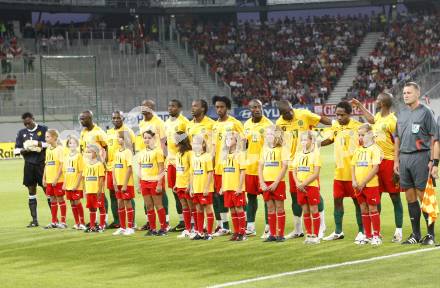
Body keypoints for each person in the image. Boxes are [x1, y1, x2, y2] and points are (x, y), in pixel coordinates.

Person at [351, 94, 404, 242]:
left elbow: (397, 142)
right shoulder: (379, 117)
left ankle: (398, 231)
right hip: (375, 162)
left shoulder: (392, 121)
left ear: (384, 103)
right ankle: (375, 233)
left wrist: (396, 163)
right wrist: (360, 106)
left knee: (395, 197)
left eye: (378, 99)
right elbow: (371, 120)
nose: (376, 100)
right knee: (375, 199)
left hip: (388, 162)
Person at [276, 100, 330, 239]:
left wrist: (335, 125)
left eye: (290, 110)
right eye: (286, 113)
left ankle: (322, 225)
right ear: (281, 114)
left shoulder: (304, 114)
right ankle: (298, 229)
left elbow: (321, 119)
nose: (289, 113)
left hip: (309, 161)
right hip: (292, 164)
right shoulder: (279, 123)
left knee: (314, 193)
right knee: (296, 196)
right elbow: (279, 140)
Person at [394, 82, 439, 245]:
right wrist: (396, 160)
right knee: (410, 197)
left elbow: (434, 137)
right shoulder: (401, 112)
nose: (405, 95)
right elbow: (397, 138)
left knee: (424, 197)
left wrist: (433, 161)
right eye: (404, 93)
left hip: (421, 157)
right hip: (404, 159)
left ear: (417, 94)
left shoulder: (426, 112)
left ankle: (430, 235)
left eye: (409, 92)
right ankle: (415, 234)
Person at [321, 101, 364, 242]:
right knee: (337, 202)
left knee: (358, 203)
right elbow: (330, 139)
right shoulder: (335, 126)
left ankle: (362, 232)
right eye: (337, 115)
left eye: (342, 115)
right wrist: (317, 144)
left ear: (349, 114)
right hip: (338, 172)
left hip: (354, 173)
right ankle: (338, 231)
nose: (339, 117)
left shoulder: (358, 127)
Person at [212, 96, 244, 237]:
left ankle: (244, 228)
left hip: (234, 167)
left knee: (238, 199)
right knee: (222, 198)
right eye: (217, 107)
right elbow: (213, 148)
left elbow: (243, 143)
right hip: (220, 167)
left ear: (227, 108)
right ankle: (225, 227)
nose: (219, 109)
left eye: (222, 107)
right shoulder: (214, 125)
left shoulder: (235, 123)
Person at [136, 100, 169, 232]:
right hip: (145, 161)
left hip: (157, 160)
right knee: (148, 203)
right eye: (143, 106)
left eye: (148, 107)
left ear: (153, 109)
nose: (145, 109)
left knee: (159, 199)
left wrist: (161, 155)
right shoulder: (142, 123)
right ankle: (152, 226)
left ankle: (165, 223)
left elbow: (163, 140)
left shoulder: (159, 122)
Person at [243, 99, 273, 237]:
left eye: (259, 107)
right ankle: (250, 226)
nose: (256, 109)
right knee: (251, 197)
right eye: (253, 107)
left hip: (264, 168)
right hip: (250, 168)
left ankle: (268, 226)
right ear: (249, 109)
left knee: (267, 198)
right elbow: (245, 144)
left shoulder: (268, 124)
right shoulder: (247, 124)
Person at [14, 112, 48, 227]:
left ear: (33, 119)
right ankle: (34, 220)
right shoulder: (21, 133)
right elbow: (16, 150)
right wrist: (26, 150)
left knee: (48, 191)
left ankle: (55, 220)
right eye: (25, 124)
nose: (27, 126)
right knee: (31, 192)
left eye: (28, 123)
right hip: (29, 165)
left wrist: (37, 144)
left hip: (42, 165)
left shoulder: (43, 129)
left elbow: (49, 143)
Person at [351, 124, 382, 246]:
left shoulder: (375, 149)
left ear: (369, 134)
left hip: (370, 185)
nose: (360, 137)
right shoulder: (358, 149)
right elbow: (353, 165)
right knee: (363, 209)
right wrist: (354, 181)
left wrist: (363, 182)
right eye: (359, 135)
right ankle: (367, 235)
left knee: (373, 208)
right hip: (358, 185)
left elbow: (375, 168)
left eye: (362, 135)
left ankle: (376, 235)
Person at [106, 111, 136, 229]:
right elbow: (107, 149)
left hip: (124, 168)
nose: (116, 120)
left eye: (118, 118)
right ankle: (118, 221)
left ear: (123, 118)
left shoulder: (128, 131)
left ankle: (131, 222)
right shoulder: (109, 133)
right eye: (114, 118)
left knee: (127, 196)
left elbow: (132, 150)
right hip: (111, 168)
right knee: (114, 195)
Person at [258, 125, 288, 242]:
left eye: (271, 134)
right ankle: (272, 234)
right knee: (270, 208)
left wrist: (276, 182)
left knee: (279, 208)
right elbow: (260, 166)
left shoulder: (283, 148)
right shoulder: (264, 148)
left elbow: (284, 166)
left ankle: (280, 234)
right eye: (267, 134)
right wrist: (262, 182)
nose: (269, 136)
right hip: (266, 182)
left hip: (278, 183)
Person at [164, 100, 190, 233]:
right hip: (171, 162)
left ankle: (190, 222)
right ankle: (182, 221)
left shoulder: (183, 122)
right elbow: (166, 142)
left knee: (185, 193)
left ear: (179, 108)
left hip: (182, 162)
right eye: (169, 106)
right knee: (176, 192)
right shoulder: (167, 123)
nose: (170, 108)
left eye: (173, 106)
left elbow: (187, 142)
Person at [292, 131, 322, 244]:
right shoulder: (298, 154)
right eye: (302, 140)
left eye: (306, 140)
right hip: (299, 187)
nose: (303, 142)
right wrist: (297, 183)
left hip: (311, 186)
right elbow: (294, 171)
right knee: (305, 210)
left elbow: (315, 173)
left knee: (314, 209)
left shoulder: (315, 154)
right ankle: (309, 234)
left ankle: (316, 235)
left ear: (311, 140)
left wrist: (303, 184)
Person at [138, 130, 167, 236]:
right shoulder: (141, 152)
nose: (146, 140)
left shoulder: (158, 151)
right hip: (144, 182)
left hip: (154, 182)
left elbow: (161, 168)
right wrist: (139, 183)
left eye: (149, 138)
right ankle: (152, 229)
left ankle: (164, 228)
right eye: (145, 137)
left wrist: (159, 183)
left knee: (158, 205)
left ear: (154, 139)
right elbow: (140, 168)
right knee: (149, 206)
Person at [220, 131, 247, 241]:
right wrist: (222, 186)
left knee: (239, 208)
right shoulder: (224, 155)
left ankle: (242, 233)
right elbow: (223, 172)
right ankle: (236, 232)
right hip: (227, 187)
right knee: (232, 209)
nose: (228, 141)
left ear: (236, 141)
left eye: (231, 139)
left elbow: (242, 172)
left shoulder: (240, 154)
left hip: (236, 187)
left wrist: (240, 187)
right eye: (226, 139)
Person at [190, 135, 215, 241]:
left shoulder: (207, 156)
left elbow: (210, 173)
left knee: (208, 209)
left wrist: (206, 187)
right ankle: (200, 232)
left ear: (203, 144)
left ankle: (209, 233)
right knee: (199, 209)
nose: (195, 145)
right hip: (196, 188)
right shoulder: (193, 157)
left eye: (198, 143)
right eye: (194, 143)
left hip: (205, 189)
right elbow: (192, 173)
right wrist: (191, 188)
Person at [112, 131, 136, 236]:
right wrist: (114, 181)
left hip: (127, 183)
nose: (118, 139)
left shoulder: (128, 152)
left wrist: (125, 184)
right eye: (117, 137)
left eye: (120, 137)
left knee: (127, 203)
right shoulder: (116, 152)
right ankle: (122, 227)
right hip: (118, 183)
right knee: (120, 204)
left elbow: (130, 168)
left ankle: (130, 227)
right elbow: (113, 168)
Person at [43, 129, 66, 229]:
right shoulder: (48, 149)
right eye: (46, 137)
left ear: (54, 137)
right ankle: (54, 222)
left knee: (60, 199)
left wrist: (56, 178)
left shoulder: (60, 149)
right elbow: (46, 164)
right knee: (52, 199)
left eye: (48, 137)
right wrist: (44, 177)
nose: (46, 138)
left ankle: (63, 221)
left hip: (58, 180)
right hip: (49, 179)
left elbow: (62, 164)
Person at [62, 135, 86, 230]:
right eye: (70, 143)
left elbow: (81, 171)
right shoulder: (66, 156)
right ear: (68, 144)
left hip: (76, 185)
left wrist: (76, 184)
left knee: (77, 202)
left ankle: (82, 222)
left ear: (77, 144)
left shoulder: (79, 156)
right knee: (72, 203)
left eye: (74, 143)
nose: (72, 145)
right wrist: (64, 183)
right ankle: (77, 223)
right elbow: (65, 171)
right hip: (68, 184)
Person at [174, 131, 194, 239]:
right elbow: (179, 170)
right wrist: (176, 184)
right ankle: (187, 229)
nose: (173, 140)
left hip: (187, 185)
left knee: (192, 207)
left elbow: (191, 170)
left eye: (175, 138)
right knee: (184, 207)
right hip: (180, 185)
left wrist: (189, 185)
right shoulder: (177, 154)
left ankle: (196, 228)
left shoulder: (190, 153)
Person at [83, 144, 106, 233]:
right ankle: (92, 226)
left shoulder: (99, 164)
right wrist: (85, 190)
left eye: (90, 152)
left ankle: (102, 225)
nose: (88, 154)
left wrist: (99, 189)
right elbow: (84, 177)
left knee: (101, 207)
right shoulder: (86, 165)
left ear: (95, 153)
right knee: (91, 208)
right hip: (89, 190)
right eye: (87, 152)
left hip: (97, 191)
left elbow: (101, 178)